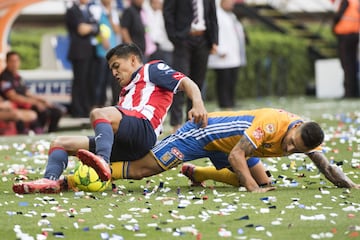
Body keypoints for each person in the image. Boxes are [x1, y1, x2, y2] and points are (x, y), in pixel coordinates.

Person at [13, 108, 360, 194]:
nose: (288, 148)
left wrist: (348, 186)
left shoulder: (307, 136)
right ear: (294, 129)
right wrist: (256, 191)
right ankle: (81, 174)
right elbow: (239, 156)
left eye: (294, 150)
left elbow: (324, 164)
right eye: (290, 142)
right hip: (200, 135)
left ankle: (200, 174)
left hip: (232, 147)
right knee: (145, 167)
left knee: (256, 179)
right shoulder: (270, 126)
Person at [12, 42, 208, 194]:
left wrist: (197, 103)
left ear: (133, 60)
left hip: (143, 130)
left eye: (116, 66)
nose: (114, 72)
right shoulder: (125, 92)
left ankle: (102, 162)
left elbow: (185, 81)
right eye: (111, 69)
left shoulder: (151, 69)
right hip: (125, 139)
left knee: (99, 113)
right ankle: (49, 181)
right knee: (60, 142)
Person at [163, 0, 218, 132]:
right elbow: (168, 13)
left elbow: (212, 15)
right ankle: (176, 123)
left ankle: (192, 122)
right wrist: (174, 37)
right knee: (180, 81)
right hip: (183, 39)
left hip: (203, 39)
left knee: (198, 82)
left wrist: (214, 40)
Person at [0, 51, 63, 133]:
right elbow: (13, 97)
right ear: (7, 62)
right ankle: (39, 132)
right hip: (17, 105)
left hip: (27, 103)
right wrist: (35, 103)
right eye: (12, 61)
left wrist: (42, 100)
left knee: (56, 111)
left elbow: (27, 93)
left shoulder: (18, 77)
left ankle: (51, 134)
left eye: (16, 61)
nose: (14, 64)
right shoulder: (5, 77)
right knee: (42, 111)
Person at [208, 0, 247, 110]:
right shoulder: (217, 14)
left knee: (231, 80)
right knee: (223, 81)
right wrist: (220, 49)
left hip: (234, 55)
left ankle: (231, 102)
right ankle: (224, 104)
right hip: (223, 55)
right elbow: (215, 32)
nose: (231, 4)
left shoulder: (231, 15)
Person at [65, 0, 100, 117]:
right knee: (79, 81)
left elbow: (98, 28)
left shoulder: (89, 10)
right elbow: (81, 29)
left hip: (89, 52)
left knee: (88, 81)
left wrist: (90, 27)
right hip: (78, 52)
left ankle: (86, 109)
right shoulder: (72, 11)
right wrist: (92, 27)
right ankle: (77, 109)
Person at [92, 0, 122, 106]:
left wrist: (110, 17)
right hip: (101, 51)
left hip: (112, 52)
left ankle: (112, 104)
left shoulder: (113, 12)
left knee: (112, 80)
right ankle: (97, 104)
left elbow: (118, 30)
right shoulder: (96, 10)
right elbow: (95, 27)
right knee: (100, 80)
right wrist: (102, 38)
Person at [332, 0, 360, 98]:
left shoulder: (346, 1)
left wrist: (333, 27)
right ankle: (355, 92)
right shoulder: (356, 2)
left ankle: (349, 93)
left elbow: (338, 16)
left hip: (345, 35)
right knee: (353, 64)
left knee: (347, 64)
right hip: (355, 34)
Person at [144, 0, 174, 65]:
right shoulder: (146, 12)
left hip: (163, 46)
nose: (158, 4)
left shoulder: (162, 14)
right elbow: (147, 29)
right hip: (149, 46)